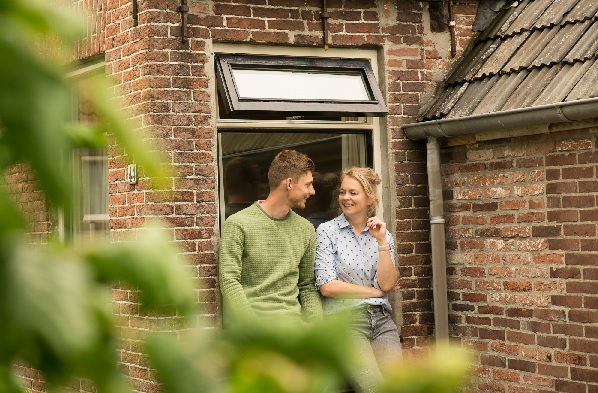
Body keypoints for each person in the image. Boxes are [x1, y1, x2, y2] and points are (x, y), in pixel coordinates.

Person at [315, 167, 402, 393]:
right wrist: (373, 293)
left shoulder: (383, 234)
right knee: (373, 387)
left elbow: (387, 284)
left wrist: (382, 242)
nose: (345, 198)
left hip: (382, 321)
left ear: (369, 198)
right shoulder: (327, 232)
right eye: (343, 192)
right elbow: (327, 286)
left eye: (353, 193)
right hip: (347, 322)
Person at [218, 149, 323, 326]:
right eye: (308, 184)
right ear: (289, 183)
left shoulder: (306, 229)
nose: (312, 191)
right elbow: (229, 282)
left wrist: (316, 323)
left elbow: (307, 285)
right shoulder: (238, 224)